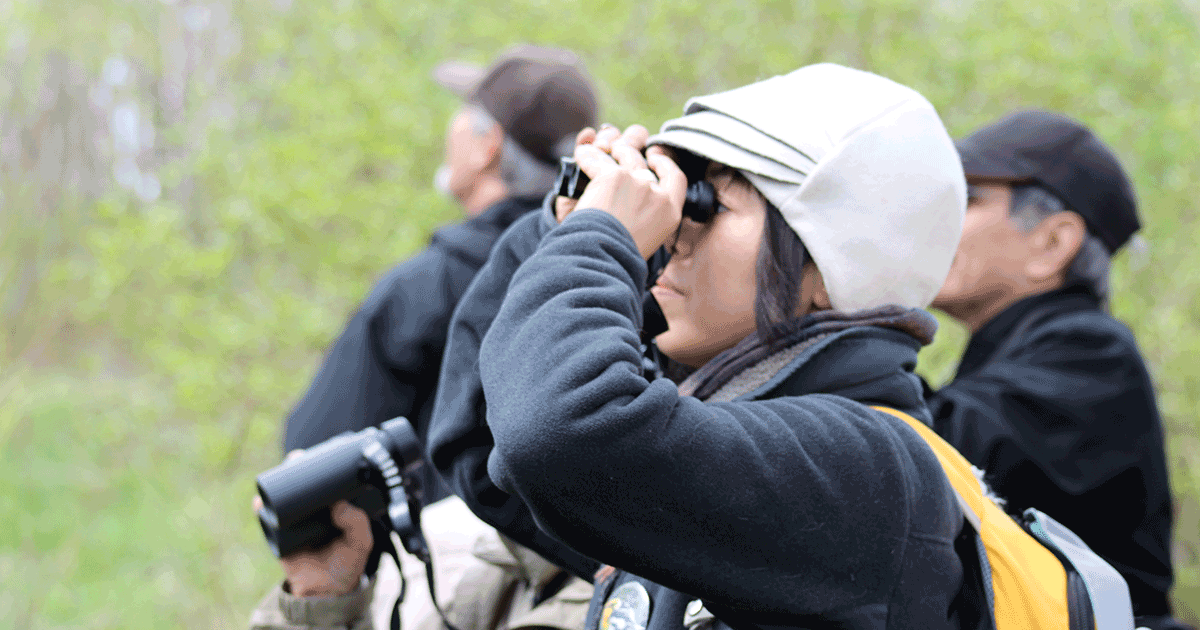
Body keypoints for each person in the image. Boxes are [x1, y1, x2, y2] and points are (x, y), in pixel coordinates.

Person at [250, 62, 980, 629]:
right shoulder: (745, 449)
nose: (675, 234)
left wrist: (602, 241)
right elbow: (483, 448)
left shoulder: (869, 468)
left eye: (708, 206)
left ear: (830, 269)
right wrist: (566, 221)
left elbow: (558, 437)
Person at [281, 44, 598, 503]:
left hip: (445, 566)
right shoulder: (612, 272)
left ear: (487, 147)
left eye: (463, 115)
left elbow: (312, 456)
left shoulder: (427, 286)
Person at [927, 110, 1188, 630]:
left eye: (967, 199)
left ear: (1052, 244)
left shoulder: (1092, 353)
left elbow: (925, 455)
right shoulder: (1026, 354)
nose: (932, 221)